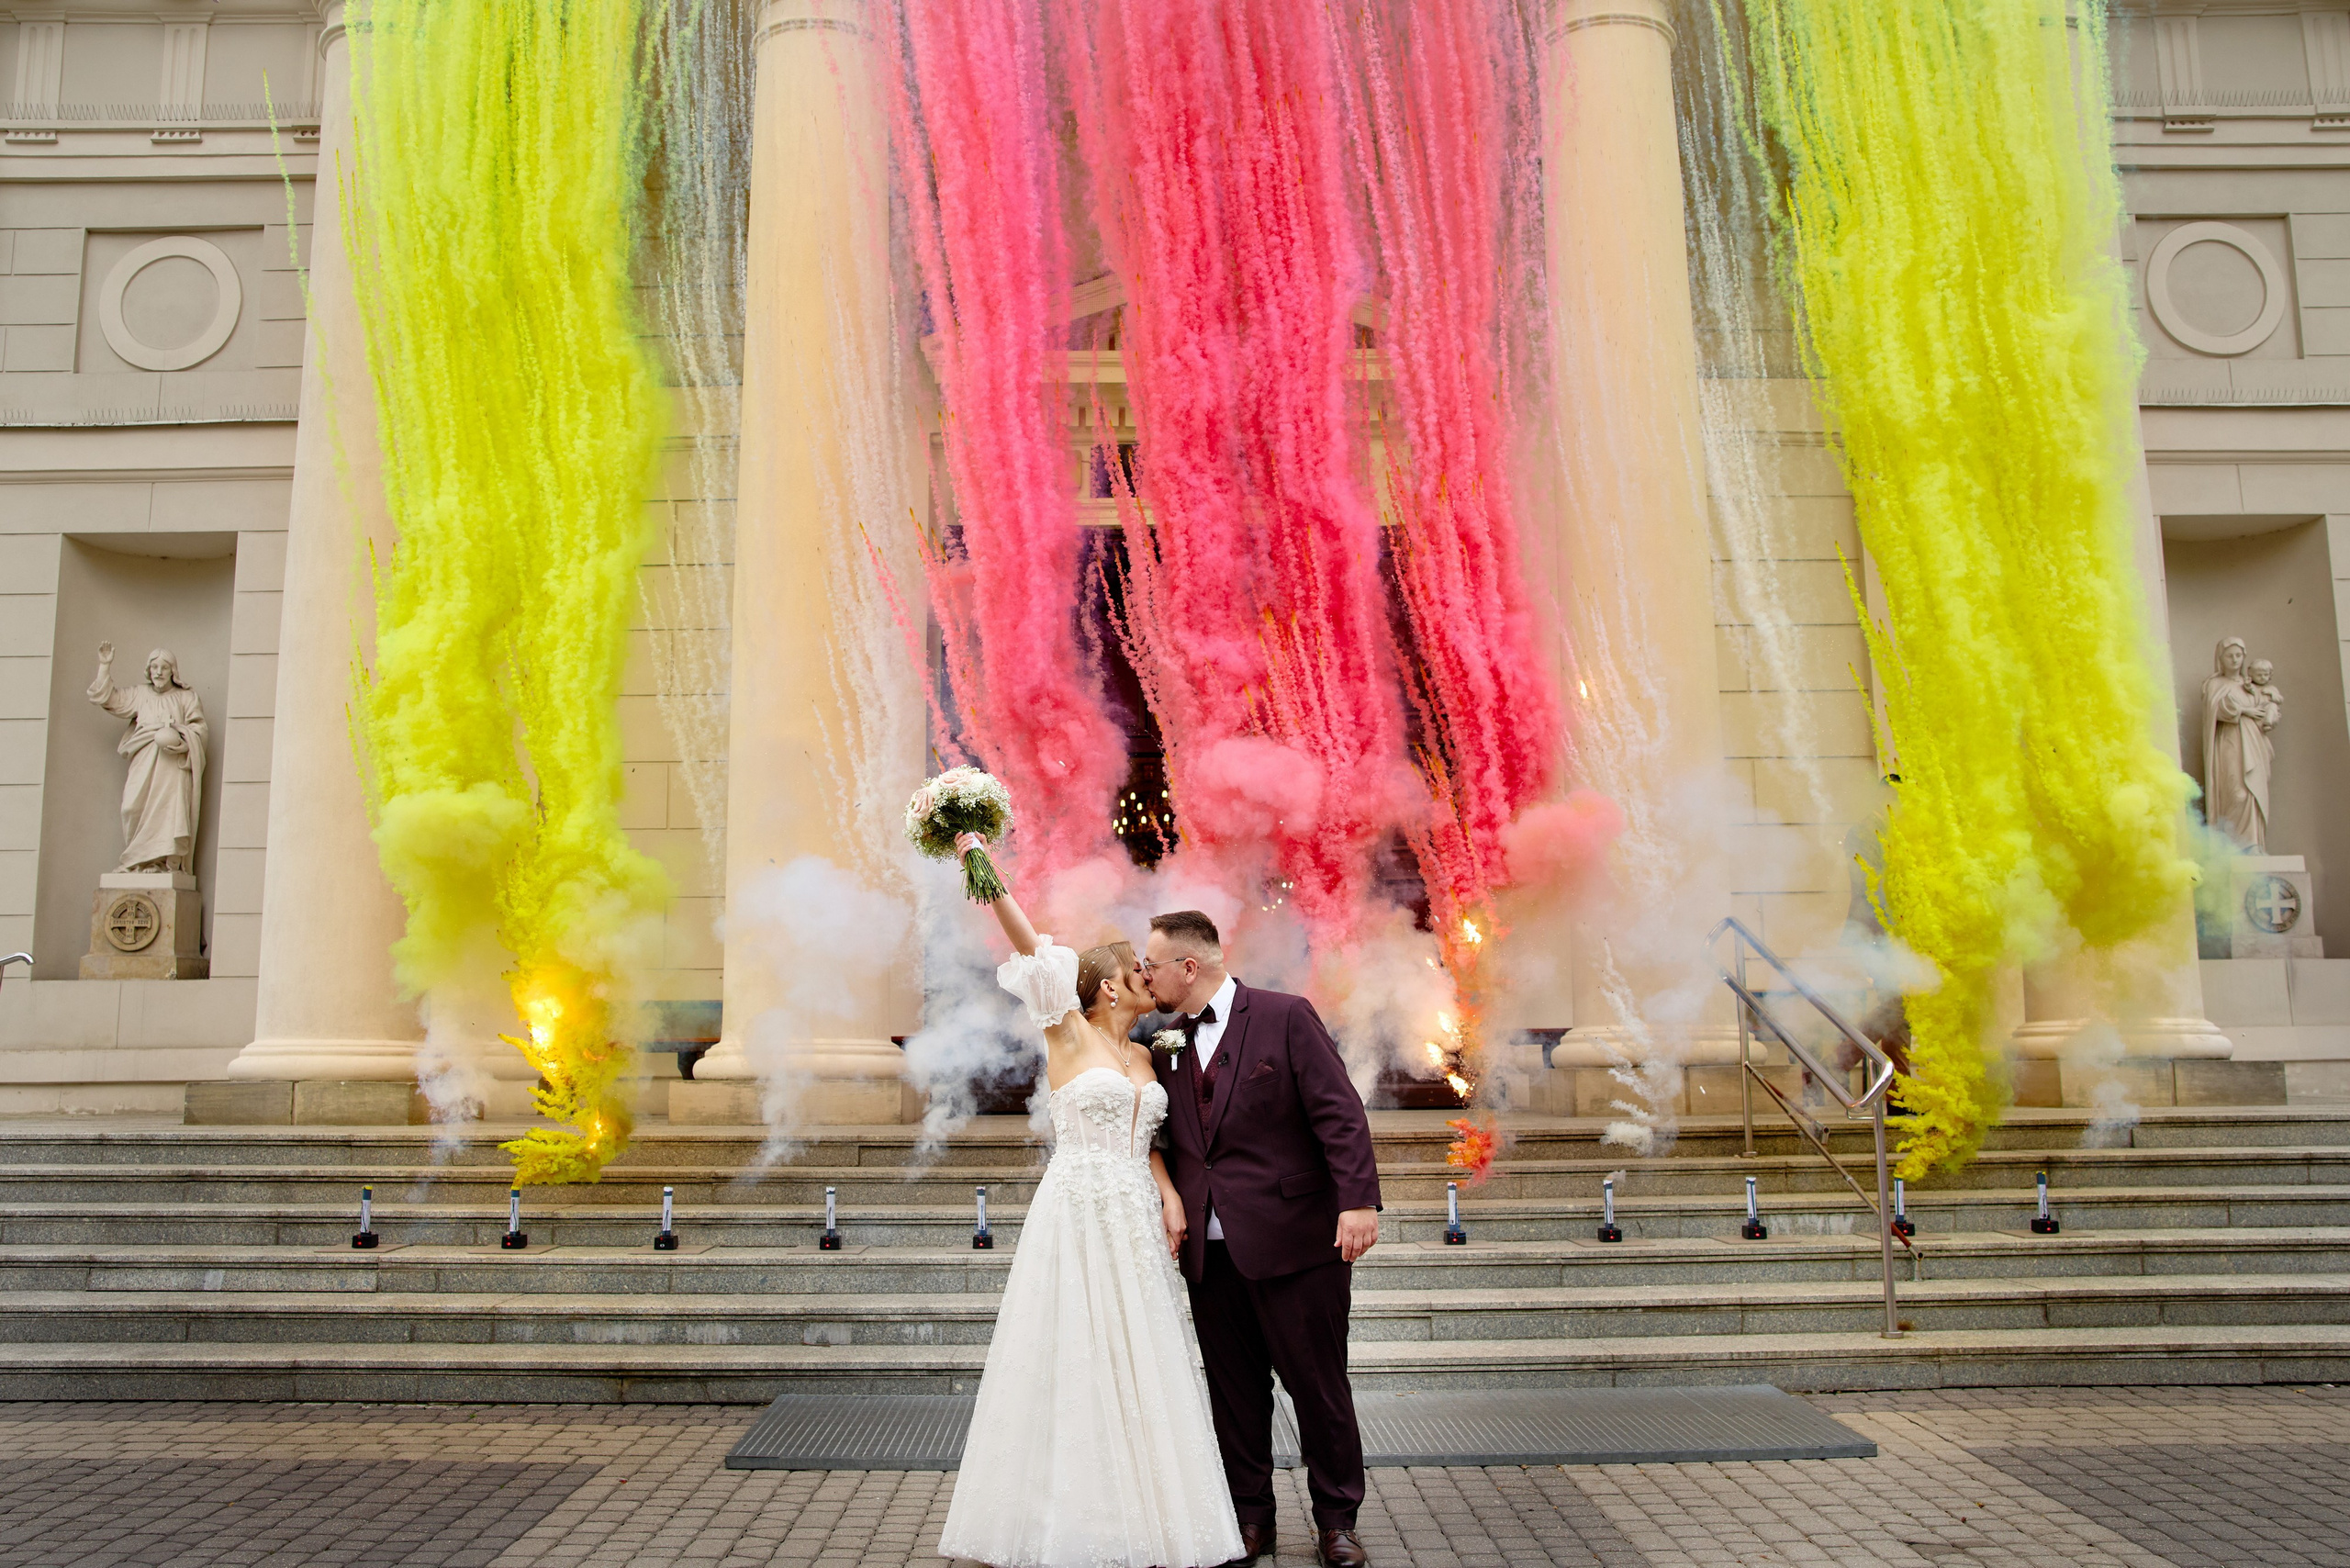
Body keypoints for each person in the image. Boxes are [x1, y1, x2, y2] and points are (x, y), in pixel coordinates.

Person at [936, 835, 1242, 1568]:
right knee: (1076, 1351)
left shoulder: (1149, 1054)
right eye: (1136, 970)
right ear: (1106, 987)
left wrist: (1169, 1196)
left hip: (1137, 1213)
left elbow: (1156, 1141)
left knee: (1144, 1357)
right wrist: (978, 855)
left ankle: (1151, 1511)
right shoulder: (1065, 1032)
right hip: (1077, 1209)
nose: (1148, 975)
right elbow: (1027, 939)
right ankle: (1068, 1518)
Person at [1144, 910, 1382, 1568]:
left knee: (1318, 1387)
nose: (1144, 974)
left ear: (1189, 967)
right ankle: (1251, 1522)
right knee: (1234, 1394)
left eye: (1151, 963)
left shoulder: (1284, 1015)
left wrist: (1358, 1200)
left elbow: (1340, 1112)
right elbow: (1166, 1139)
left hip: (1298, 1245)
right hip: (1210, 1255)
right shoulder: (1162, 1040)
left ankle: (1337, 1521)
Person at [86, 643, 207, 874]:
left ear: (173, 671)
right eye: (154, 667)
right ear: (148, 671)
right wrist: (104, 665)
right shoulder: (140, 694)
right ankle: (137, 861)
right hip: (144, 758)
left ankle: (161, 863)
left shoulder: (186, 698)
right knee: (132, 807)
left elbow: (199, 730)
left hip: (172, 765)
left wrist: (183, 741)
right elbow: (109, 699)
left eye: (163, 667)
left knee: (169, 810)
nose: (158, 672)